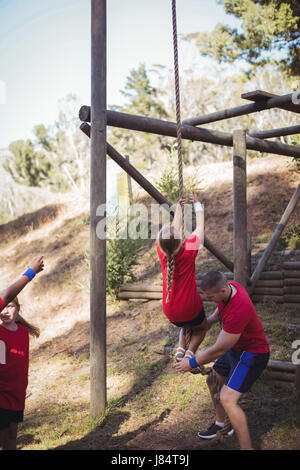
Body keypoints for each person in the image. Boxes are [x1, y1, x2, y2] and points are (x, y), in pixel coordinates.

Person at [175, 270, 270, 450]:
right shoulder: (231, 287)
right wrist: (209, 321)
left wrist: (192, 362)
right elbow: (220, 310)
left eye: (210, 296)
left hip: (252, 354)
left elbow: (219, 349)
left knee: (227, 398)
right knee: (212, 379)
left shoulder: (239, 308)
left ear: (222, 291)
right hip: (237, 349)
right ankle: (221, 424)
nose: (208, 299)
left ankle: (246, 448)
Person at [156, 192, 209, 365]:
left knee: (184, 324)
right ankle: (189, 353)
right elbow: (200, 228)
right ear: (180, 241)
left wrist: (178, 209)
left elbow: (171, 233)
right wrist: (197, 206)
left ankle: (180, 347)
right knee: (201, 328)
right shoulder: (188, 250)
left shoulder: (162, 253)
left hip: (170, 312)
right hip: (191, 309)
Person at [0, 256, 44, 450]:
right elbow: (7, 294)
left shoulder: (23, 332)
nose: (6, 310)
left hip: (16, 394)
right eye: (4, 306)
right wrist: (30, 272)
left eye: (11, 306)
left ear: (18, 310)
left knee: (10, 440)